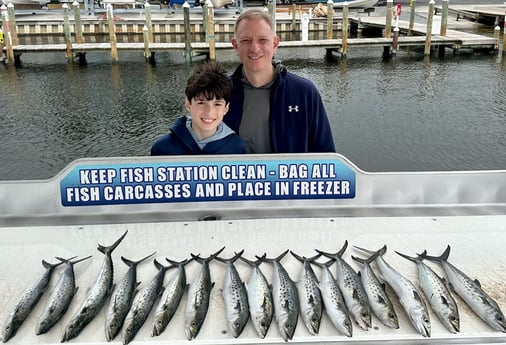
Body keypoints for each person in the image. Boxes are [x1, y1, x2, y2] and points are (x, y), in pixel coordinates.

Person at [225, 8, 336, 154]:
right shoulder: (219, 93)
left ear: (275, 44)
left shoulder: (304, 93)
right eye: (246, 40)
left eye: (263, 40)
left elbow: (326, 158)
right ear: (235, 46)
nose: (254, 48)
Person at [151, 61, 247, 155]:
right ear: (188, 104)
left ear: (226, 108)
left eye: (217, 104)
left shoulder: (237, 147)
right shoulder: (162, 148)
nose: (209, 112)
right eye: (201, 103)